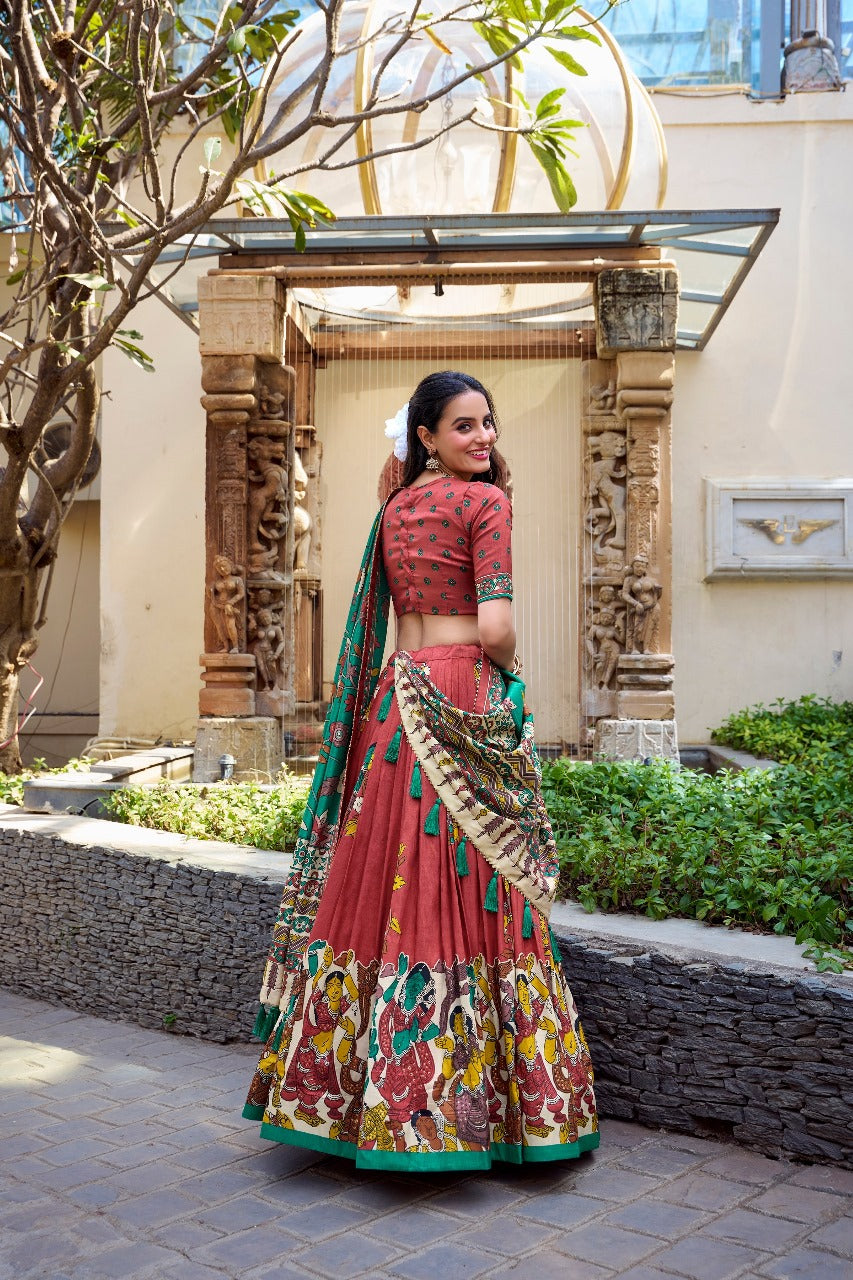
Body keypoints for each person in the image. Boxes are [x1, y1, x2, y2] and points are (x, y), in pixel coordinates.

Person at [243, 371, 599, 1170]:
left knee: (380, 875)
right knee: (480, 881)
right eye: (464, 426)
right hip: (462, 687)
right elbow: (495, 627)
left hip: (396, 697)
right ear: (428, 436)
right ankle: (495, 1111)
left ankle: (347, 1104)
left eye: (487, 423)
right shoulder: (486, 504)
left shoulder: (394, 507)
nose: (483, 438)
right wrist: (509, 669)